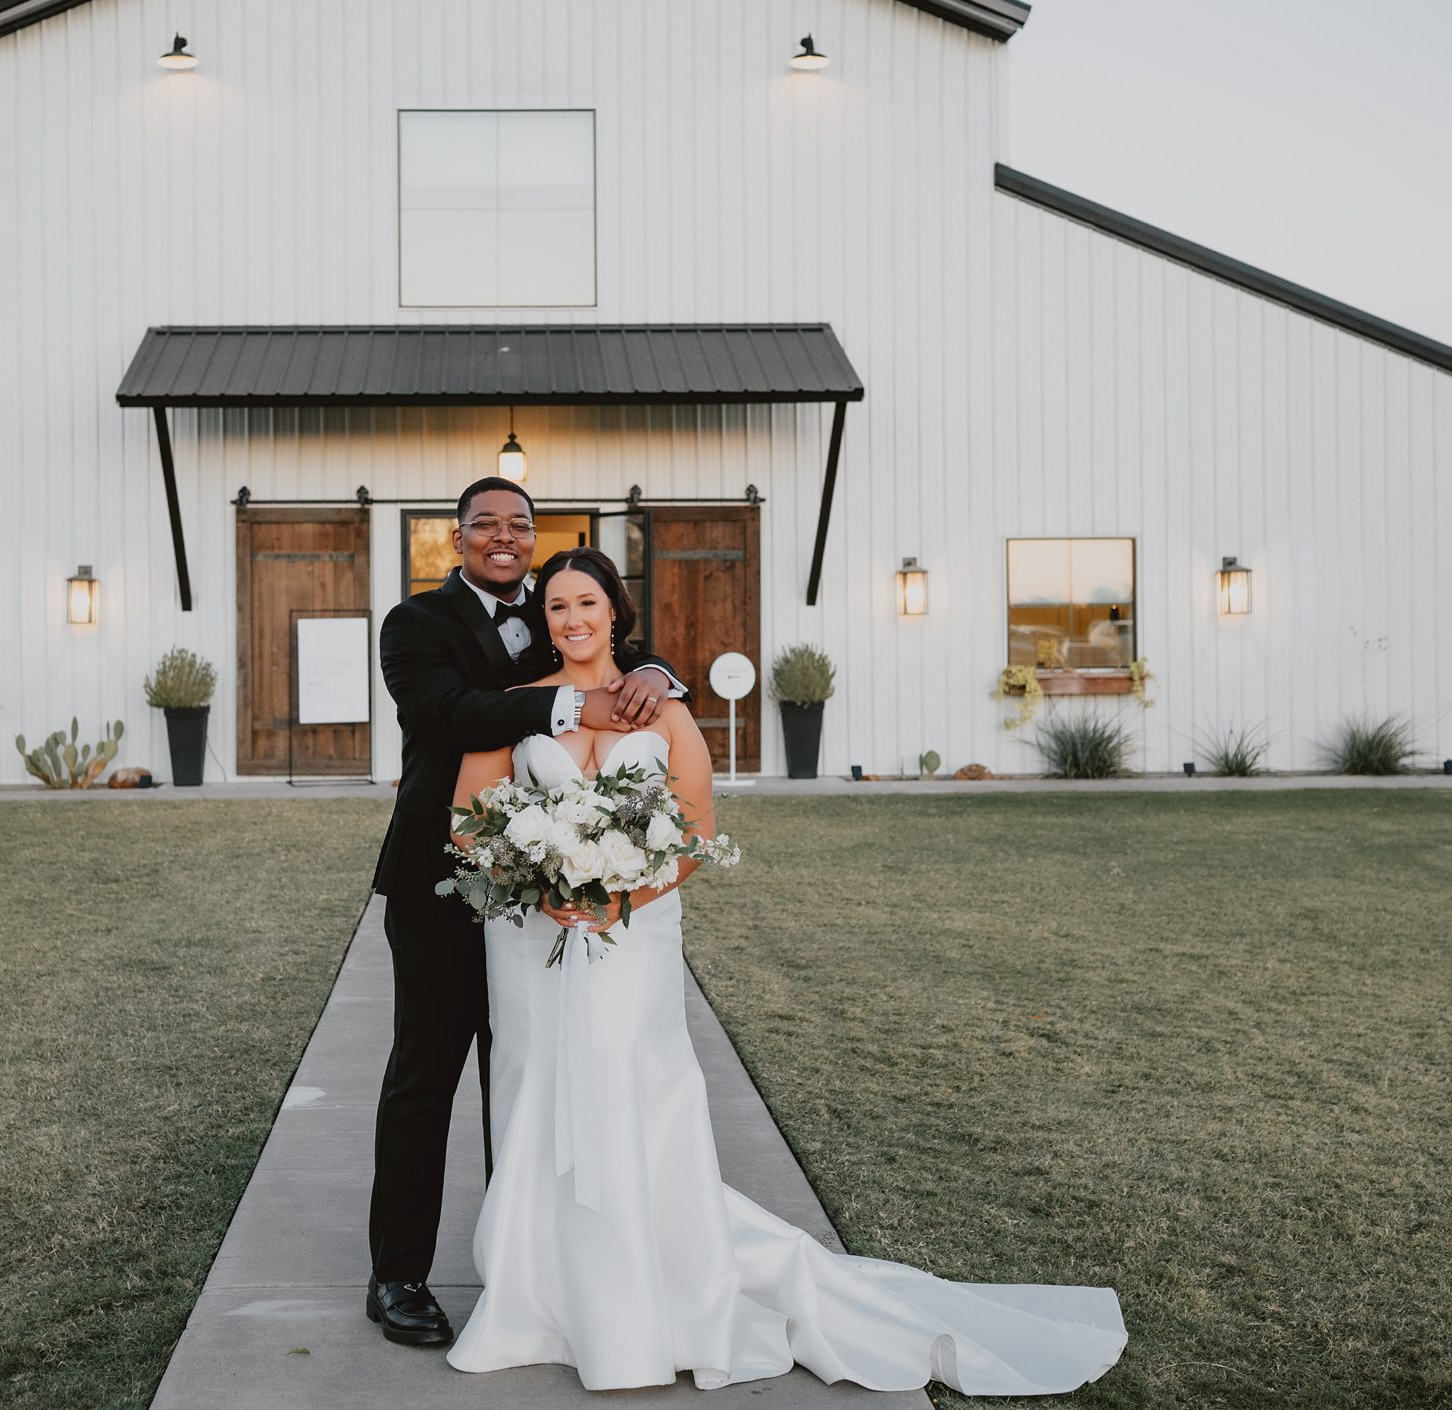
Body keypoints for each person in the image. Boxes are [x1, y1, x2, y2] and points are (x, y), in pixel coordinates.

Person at [442, 547, 1130, 1394]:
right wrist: (535, 882)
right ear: (542, 621)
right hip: (531, 944)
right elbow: (469, 821)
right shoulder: (515, 707)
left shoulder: (662, 710)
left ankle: (653, 1296)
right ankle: (536, 1295)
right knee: (536, 1089)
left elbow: (692, 834)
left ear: (615, 611)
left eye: (585, 603)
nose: (571, 620)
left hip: (631, 938)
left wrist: (622, 898)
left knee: (633, 1089)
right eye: (555, 607)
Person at [365, 478, 684, 1348]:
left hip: (547, 909)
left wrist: (657, 671)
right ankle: (397, 1276)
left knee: (531, 1085)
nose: (503, 538)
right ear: (457, 538)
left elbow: (618, 640)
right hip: (440, 885)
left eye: (520, 526)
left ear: (535, 539)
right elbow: (445, 713)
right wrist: (572, 704)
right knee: (424, 1080)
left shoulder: (555, 613)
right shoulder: (415, 624)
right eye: (485, 525)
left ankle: (529, 1269)